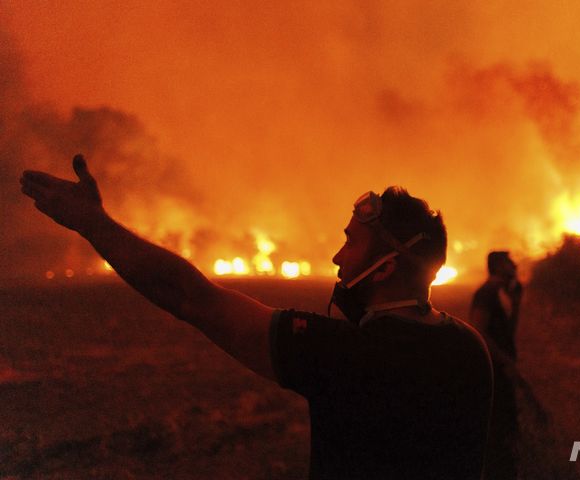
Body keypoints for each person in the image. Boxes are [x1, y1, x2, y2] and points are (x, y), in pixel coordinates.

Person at [20, 155, 493, 480]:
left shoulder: (343, 354)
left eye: (351, 242)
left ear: (385, 267)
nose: (336, 258)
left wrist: (93, 224)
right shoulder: (470, 348)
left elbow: (192, 299)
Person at [470, 251, 523, 479]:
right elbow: (478, 331)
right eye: (509, 262)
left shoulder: (501, 293)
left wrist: (518, 302)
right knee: (497, 430)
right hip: (493, 370)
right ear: (499, 266)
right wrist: (504, 360)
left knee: (507, 427)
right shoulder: (486, 294)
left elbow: (508, 332)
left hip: (502, 368)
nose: (514, 265)